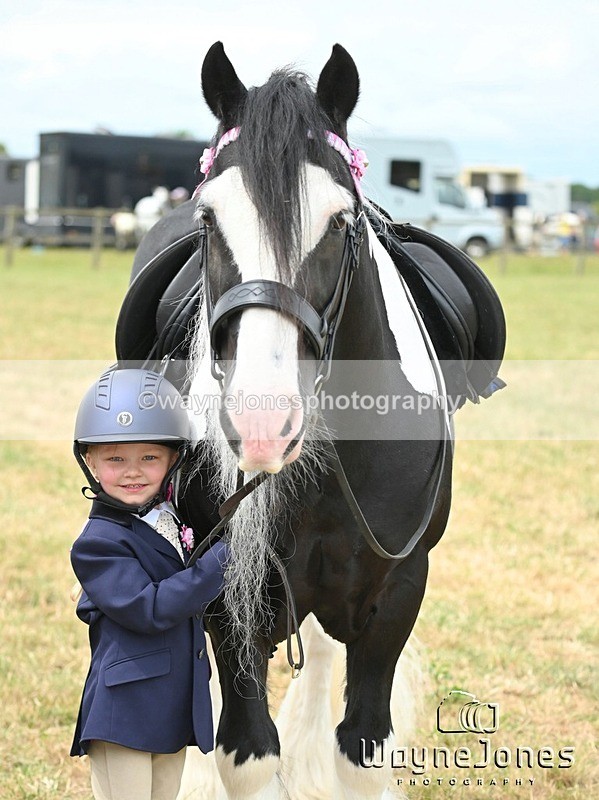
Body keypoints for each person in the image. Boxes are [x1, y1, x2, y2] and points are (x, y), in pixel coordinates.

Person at [70, 367, 227, 800]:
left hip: (174, 704)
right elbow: (150, 607)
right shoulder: (96, 543)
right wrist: (226, 558)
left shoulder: (170, 519)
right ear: (90, 462)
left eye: (150, 458)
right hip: (126, 711)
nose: (133, 472)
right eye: (116, 459)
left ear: (173, 460)